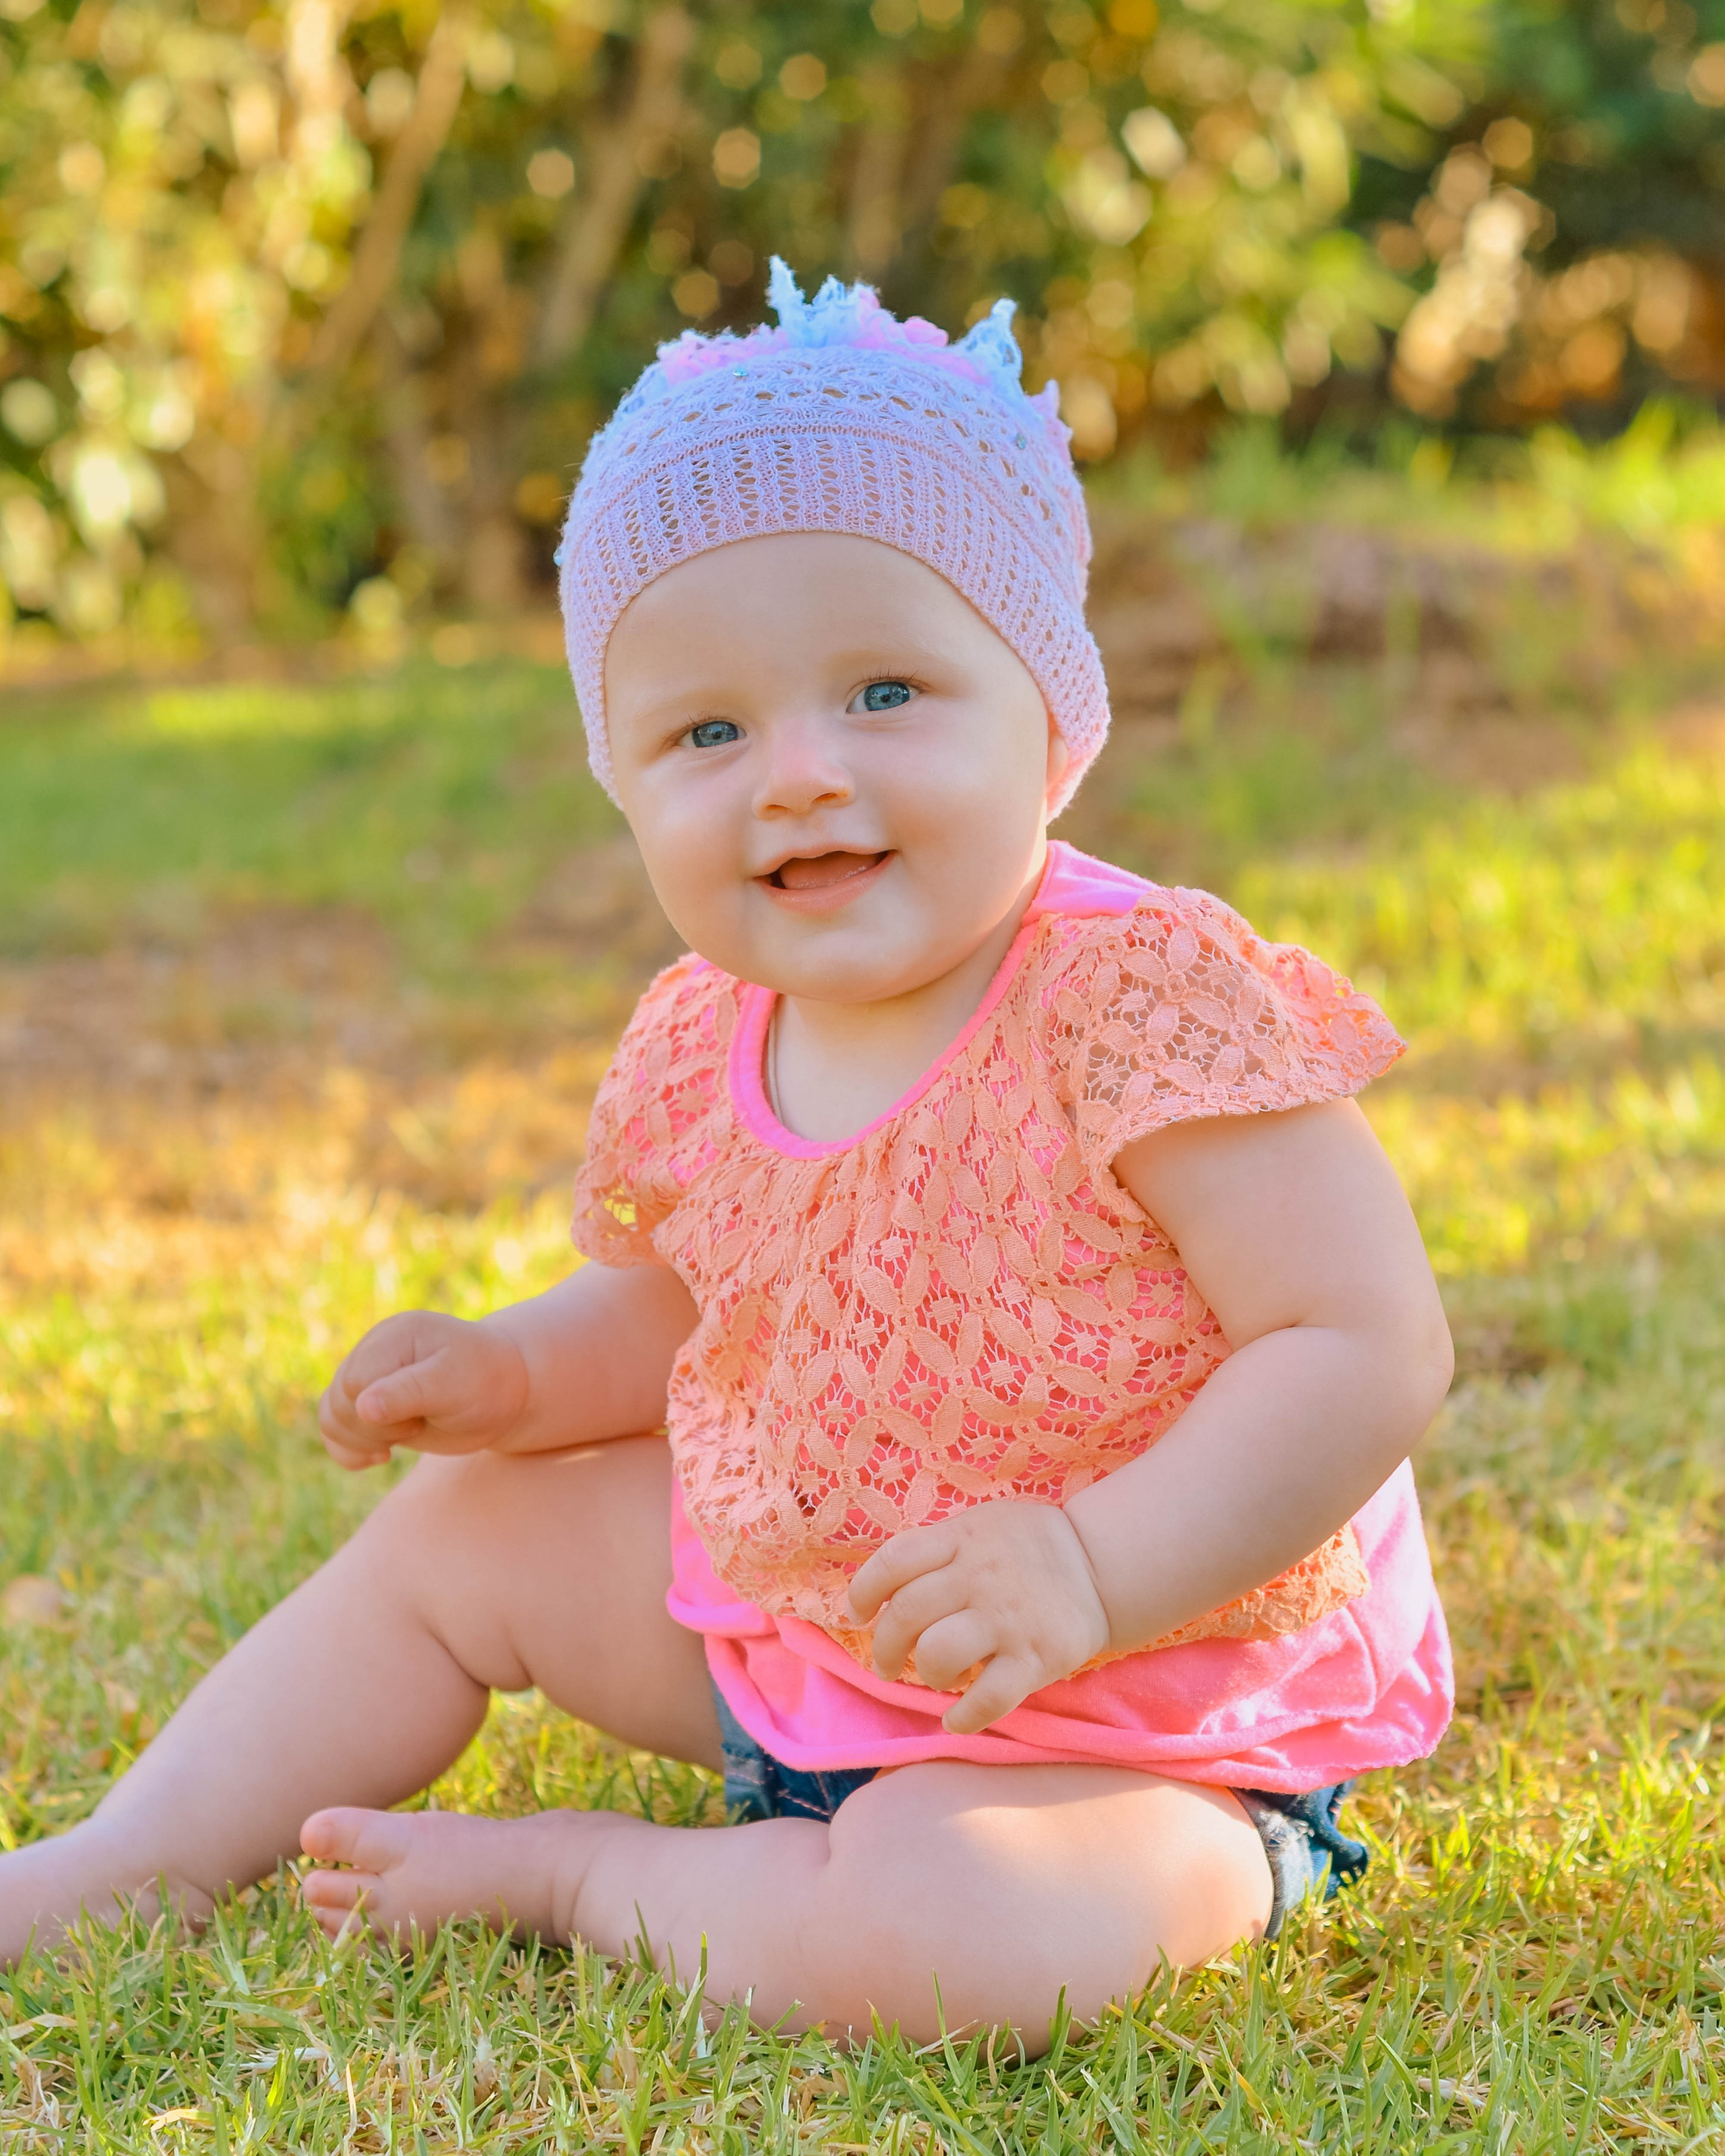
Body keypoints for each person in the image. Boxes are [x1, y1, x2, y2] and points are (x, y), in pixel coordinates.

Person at [0, 265, 1454, 2046]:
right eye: (708, 732)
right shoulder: (704, 1029)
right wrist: (513, 1371)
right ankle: (131, 1852)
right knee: (468, 1526)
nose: (796, 775)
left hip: (1134, 1727)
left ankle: (586, 1881)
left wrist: (1091, 1564)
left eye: (887, 691)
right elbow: (690, 1308)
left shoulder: (1138, 997)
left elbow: (1364, 1341)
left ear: (1050, 718)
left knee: (959, 1935)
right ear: (623, 777)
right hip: (811, 1649)